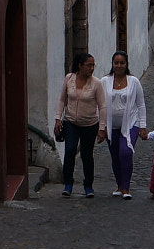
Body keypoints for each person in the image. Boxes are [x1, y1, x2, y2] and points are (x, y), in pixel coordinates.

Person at [54, 52, 107, 198]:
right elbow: (62, 100)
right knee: (70, 150)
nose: (91, 68)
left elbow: (102, 106)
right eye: (89, 65)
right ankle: (68, 183)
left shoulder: (96, 83)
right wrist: (58, 118)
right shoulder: (69, 79)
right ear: (80, 66)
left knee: (86, 154)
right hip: (71, 122)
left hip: (90, 124)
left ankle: (88, 185)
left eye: (93, 65)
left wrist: (102, 128)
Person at [103, 51, 148, 199]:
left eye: (122, 63)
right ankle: (119, 185)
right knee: (115, 155)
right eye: (116, 62)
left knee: (125, 152)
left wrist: (142, 125)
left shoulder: (134, 81)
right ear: (112, 64)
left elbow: (140, 104)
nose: (119, 65)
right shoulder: (105, 81)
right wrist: (101, 127)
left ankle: (127, 187)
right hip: (112, 125)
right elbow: (101, 105)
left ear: (126, 64)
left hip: (131, 123)